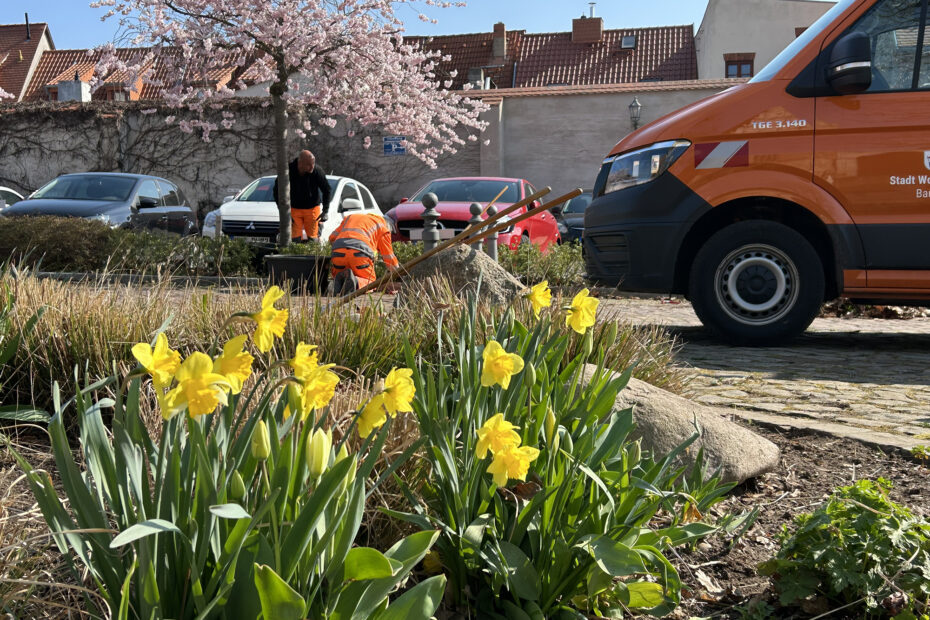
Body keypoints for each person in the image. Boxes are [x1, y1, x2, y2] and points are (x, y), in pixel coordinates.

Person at [329, 198, 399, 295]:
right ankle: (356, 282)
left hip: (338, 253)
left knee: (343, 275)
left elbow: (332, 238)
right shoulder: (383, 228)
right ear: (388, 226)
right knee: (370, 282)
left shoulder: (350, 217)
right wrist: (398, 273)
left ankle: (336, 284)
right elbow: (389, 257)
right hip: (360, 255)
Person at [272, 150, 332, 242]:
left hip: (312, 209)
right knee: (294, 239)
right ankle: (294, 254)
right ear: (300, 163)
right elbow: (277, 190)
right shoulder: (288, 171)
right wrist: (282, 210)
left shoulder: (317, 171)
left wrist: (325, 211)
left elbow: (327, 190)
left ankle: (312, 255)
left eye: (313, 163)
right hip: (294, 209)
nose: (312, 166)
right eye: (309, 164)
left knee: (313, 238)